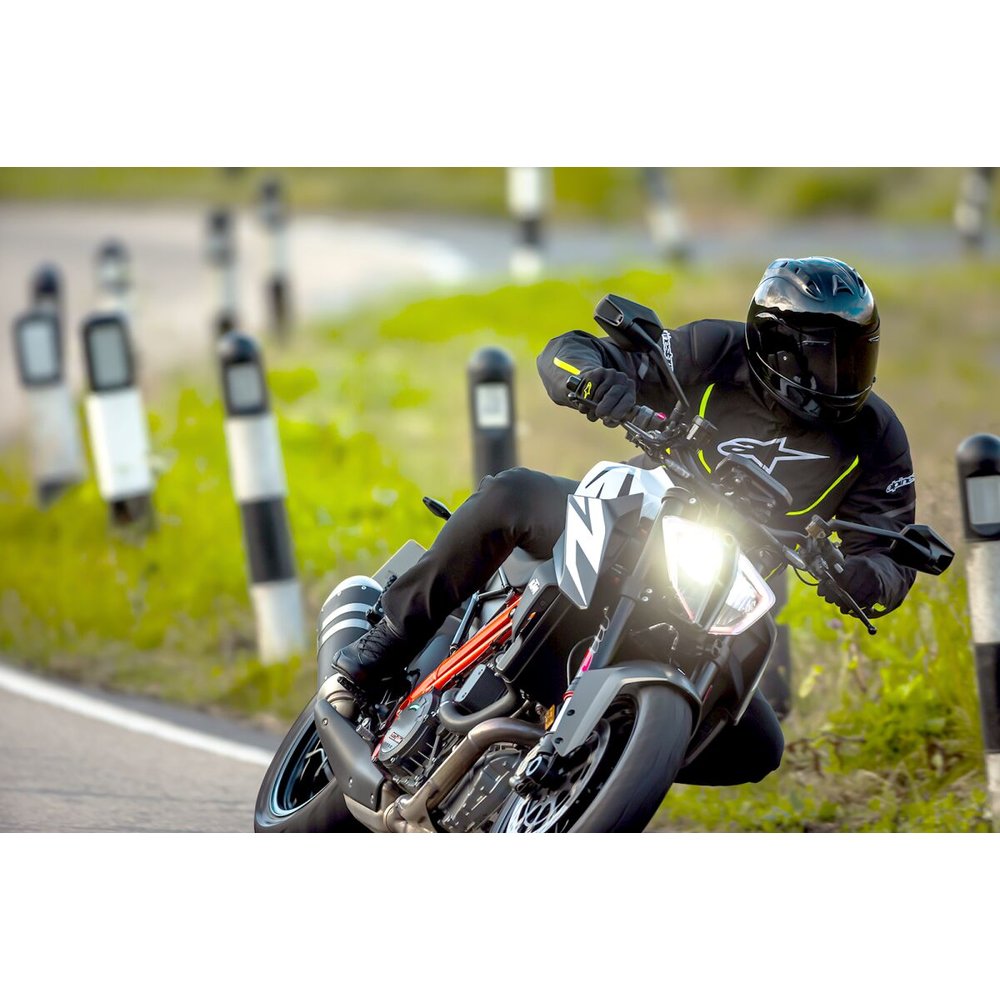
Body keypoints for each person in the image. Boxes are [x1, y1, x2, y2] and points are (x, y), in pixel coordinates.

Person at [328, 256, 917, 786]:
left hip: (720, 596)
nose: (839, 371)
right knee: (511, 495)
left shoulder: (878, 436)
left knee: (758, 749)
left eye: (853, 353)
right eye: (822, 353)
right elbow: (570, 350)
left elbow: (890, 548)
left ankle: (607, 764)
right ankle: (381, 647)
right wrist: (593, 379)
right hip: (633, 521)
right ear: (775, 344)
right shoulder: (717, 349)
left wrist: (864, 577)